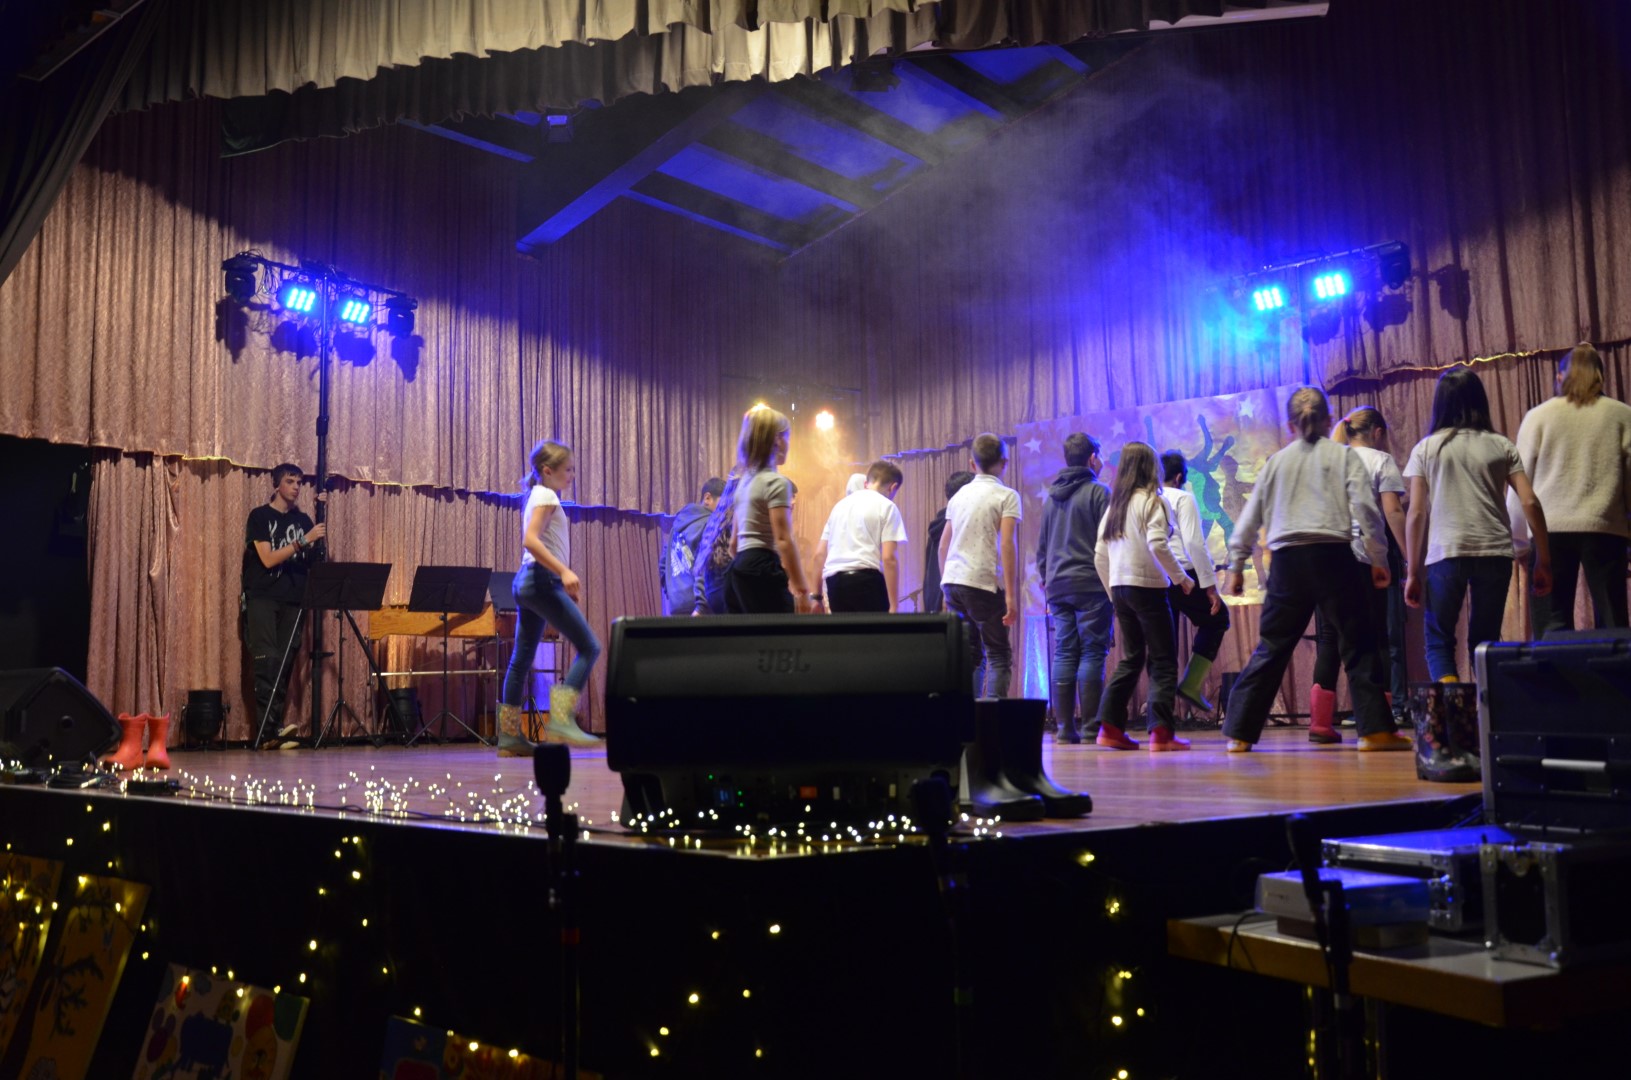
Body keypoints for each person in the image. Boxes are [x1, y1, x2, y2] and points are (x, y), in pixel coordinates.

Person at [1221, 387, 1407, 753]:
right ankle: (1374, 731)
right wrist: (1379, 558)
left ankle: (1239, 732)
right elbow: (1367, 512)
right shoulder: (1343, 456)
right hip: (1334, 557)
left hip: (1287, 561)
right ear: (1328, 421)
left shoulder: (1277, 463)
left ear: (1290, 426)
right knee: (1358, 644)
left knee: (1273, 646)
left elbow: (1250, 517)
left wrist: (1236, 565)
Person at [1404, 369, 1552, 681]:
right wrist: (1544, 558)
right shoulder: (1501, 445)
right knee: (1485, 643)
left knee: (1439, 642)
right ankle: (1489, 708)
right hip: (1494, 551)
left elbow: (1416, 513)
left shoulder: (1426, 448)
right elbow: (1530, 502)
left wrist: (1413, 571)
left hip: (1446, 552)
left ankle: (1453, 709)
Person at [1513, 342, 1631, 633]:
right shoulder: (1622, 415)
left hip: (1548, 529)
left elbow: (1520, 480)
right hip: (1606, 526)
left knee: (1550, 625)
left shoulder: (1538, 416)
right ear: (1600, 377)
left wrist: (1518, 537)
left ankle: (1554, 665)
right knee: (1613, 625)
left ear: (1559, 377)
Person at [1308, 407, 1410, 741]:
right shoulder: (1381, 460)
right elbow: (1393, 511)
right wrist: (1408, 557)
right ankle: (1380, 724)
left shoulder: (1327, 460)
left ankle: (1320, 724)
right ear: (1377, 432)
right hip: (1364, 558)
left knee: (1330, 640)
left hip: (1325, 557)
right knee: (1375, 638)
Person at [497, 439, 602, 754]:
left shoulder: (536, 495)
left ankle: (509, 737)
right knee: (589, 647)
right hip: (541, 580)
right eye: (567, 470)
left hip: (527, 581)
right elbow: (531, 540)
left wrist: (560, 577)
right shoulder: (546, 495)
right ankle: (560, 720)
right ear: (547, 470)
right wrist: (564, 571)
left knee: (521, 659)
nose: (571, 475)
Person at [1093, 442, 1194, 750]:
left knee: (1132, 658)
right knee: (1163, 659)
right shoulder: (1153, 501)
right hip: (1148, 588)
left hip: (1121, 589)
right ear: (1152, 468)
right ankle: (1161, 734)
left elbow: (1099, 555)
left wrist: (1113, 593)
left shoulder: (1115, 507)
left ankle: (1109, 728)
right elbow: (1158, 544)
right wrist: (1181, 578)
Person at [1036, 433, 1113, 744]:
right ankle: (1092, 728)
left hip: (1057, 585)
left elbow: (1042, 548)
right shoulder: (1099, 492)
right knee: (1093, 650)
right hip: (1091, 584)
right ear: (1092, 458)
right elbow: (1110, 543)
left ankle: (1065, 729)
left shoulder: (1051, 498)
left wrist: (1048, 579)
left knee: (1065, 651)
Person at [242, 464, 325, 749]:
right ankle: (267, 732)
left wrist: (321, 519)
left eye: (299, 482)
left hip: (294, 599)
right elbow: (267, 559)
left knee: (284, 663)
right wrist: (303, 541)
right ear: (277, 485)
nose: (296, 487)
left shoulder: (302, 520)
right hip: (263, 597)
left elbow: (315, 559)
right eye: (290, 481)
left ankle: (273, 730)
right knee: (267, 661)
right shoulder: (260, 516)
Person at [939, 434, 1022, 697]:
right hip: (982, 581)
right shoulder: (1006, 496)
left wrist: (944, 587)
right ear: (1004, 462)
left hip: (953, 581)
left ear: (972, 464)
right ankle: (993, 719)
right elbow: (1007, 544)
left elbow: (943, 545)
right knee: (998, 653)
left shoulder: (958, 496)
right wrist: (1010, 596)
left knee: (970, 653)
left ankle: (967, 716)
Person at [1159, 451, 1231, 715]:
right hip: (1184, 573)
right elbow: (1193, 543)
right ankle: (1191, 683)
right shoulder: (1182, 497)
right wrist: (1210, 586)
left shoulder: (1149, 498)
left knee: (1164, 644)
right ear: (1179, 477)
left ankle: (1160, 716)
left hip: (1157, 576)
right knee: (1217, 619)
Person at [727, 407, 815, 614]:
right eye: (787, 437)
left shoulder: (744, 482)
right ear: (777, 440)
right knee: (781, 631)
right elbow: (783, 539)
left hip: (737, 571)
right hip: (762, 566)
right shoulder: (776, 482)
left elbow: (733, 545)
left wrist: (746, 568)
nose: (788, 444)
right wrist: (802, 590)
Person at [810, 460, 907, 613]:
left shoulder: (838, 507)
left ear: (866, 482)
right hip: (868, 581)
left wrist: (816, 597)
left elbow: (819, 555)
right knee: (874, 629)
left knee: (846, 628)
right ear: (893, 487)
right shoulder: (887, 507)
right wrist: (894, 605)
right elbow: (889, 558)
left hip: (835, 583)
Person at [661, 477, 724, 614]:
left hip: (676, 606)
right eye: (723, 502)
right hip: (700, 607)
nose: (726, 508)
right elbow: (706, 565)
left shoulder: (677, 525)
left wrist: (672, 594)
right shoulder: (711, 523)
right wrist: (702, 605)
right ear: (707, 498)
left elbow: (663, 564)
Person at [924, 471, 975, 615]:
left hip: (934, 594)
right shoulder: (961, 523)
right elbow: (943, 550)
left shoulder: (938, 523)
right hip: (953, 594)